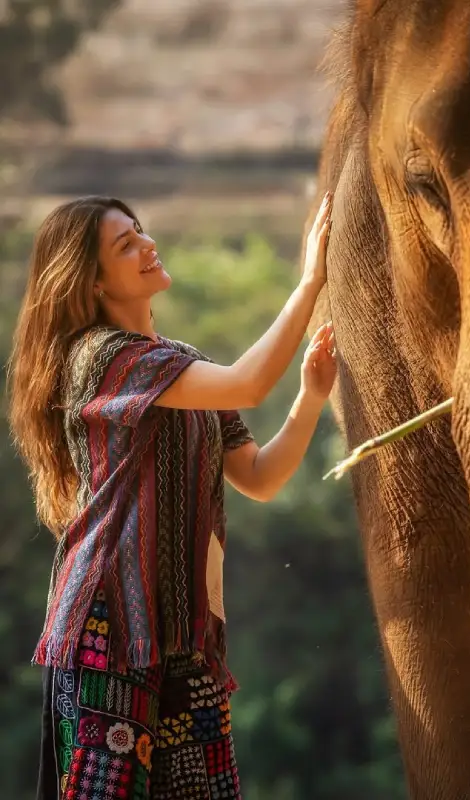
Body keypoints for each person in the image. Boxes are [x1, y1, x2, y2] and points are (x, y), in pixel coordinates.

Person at [7, 192, 337, 800]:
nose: (147, 245)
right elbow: (248, 383)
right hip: (110, 628)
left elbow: (259, 476)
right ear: (93, 281)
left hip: (186, 636)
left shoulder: (182, 364)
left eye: (141, 232)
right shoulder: (103, 358)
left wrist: (311, 397)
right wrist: (310, 281)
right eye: (125, 245)